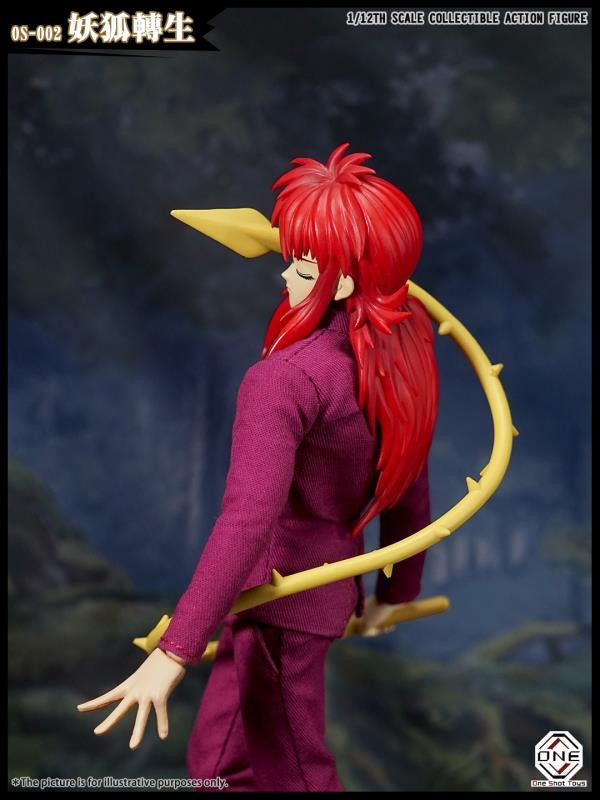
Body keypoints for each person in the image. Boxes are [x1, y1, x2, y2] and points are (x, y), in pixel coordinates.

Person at [77, 143, 439, 792]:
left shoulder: (285, 378)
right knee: (217, 768)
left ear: (344, 281)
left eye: (303, 264)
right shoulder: (399, 364)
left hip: (282, 600)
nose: (285, 276)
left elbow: (247, 520)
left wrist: (174, 651)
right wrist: (395, 594)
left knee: (294, 773)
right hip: (287, 599)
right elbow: (408, 489)